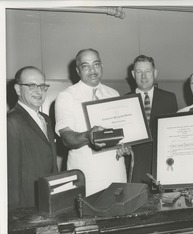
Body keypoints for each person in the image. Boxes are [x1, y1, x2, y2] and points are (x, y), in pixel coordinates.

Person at [55, 48, 130, 196]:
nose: (92, 70)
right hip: (86, 174)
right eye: (85, 66)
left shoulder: (113, 94)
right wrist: (89, 136)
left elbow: (122, 134)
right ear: (77, 70)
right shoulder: (66, 97)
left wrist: (125, 146)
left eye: (96, 64)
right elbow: (66, 138)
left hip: (116, 171)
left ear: (102, 66)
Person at [7, 66, 57, 209]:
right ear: (18, 89)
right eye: (32, 86)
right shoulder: (11, 121)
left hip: (48, 199)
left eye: (42, 86)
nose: (39, 91)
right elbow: (12, 175)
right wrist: (16, 214)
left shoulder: (46, 119)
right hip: (27, 205)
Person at [130, 55, 178, 185]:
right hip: (135, 169)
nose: (143, 76)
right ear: (133, 74)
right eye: (139, 72)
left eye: (148, 71)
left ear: (155, 73)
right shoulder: (124, 101)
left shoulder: (169, 98)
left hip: (163, 166)